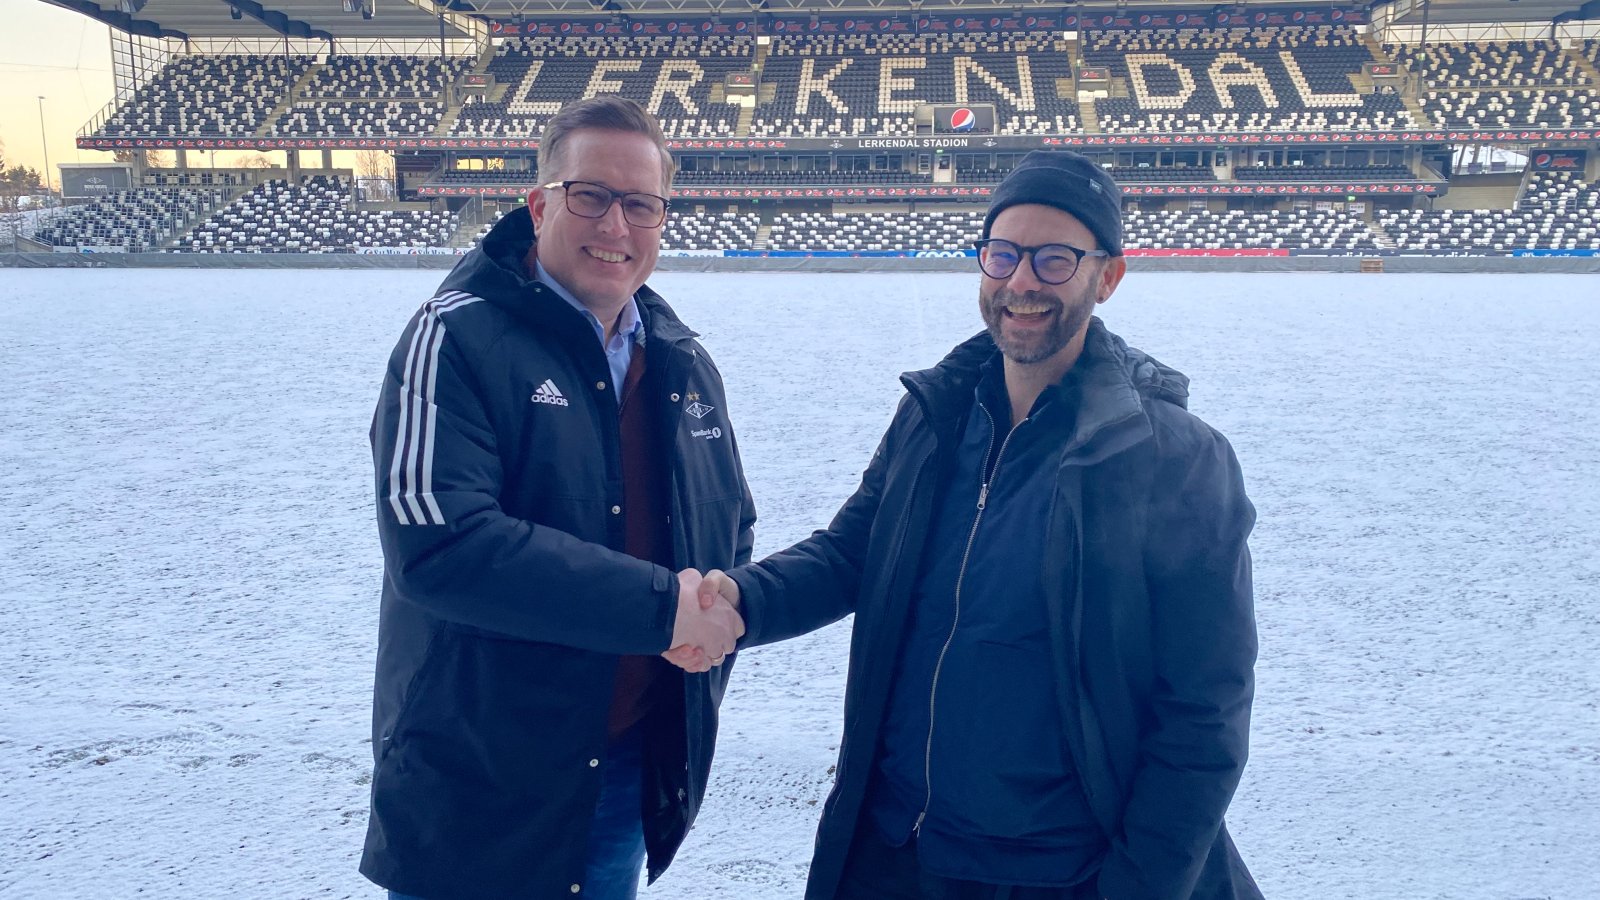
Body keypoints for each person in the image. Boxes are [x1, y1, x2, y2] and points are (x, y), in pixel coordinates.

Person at [691, 150, 1261, 900]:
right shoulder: (936, 416)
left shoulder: (1174, 458)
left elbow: (1205, 712)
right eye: (1003, 254)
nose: (1022, 282)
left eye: (1055, 259)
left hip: (1056, 873)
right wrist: (739, 602)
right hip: (897, 855)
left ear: (1108, 277)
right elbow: (852, 554)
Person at [361, 95, 753, 900]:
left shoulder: (681, 359)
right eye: (591, 196)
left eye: (640, 204)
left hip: (621, 770)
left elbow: (729, 522)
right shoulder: (454, 337)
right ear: (539, 206)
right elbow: (442, 549)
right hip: (479, 786)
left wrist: (707, 621)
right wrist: (663, 609)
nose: (616, 225)